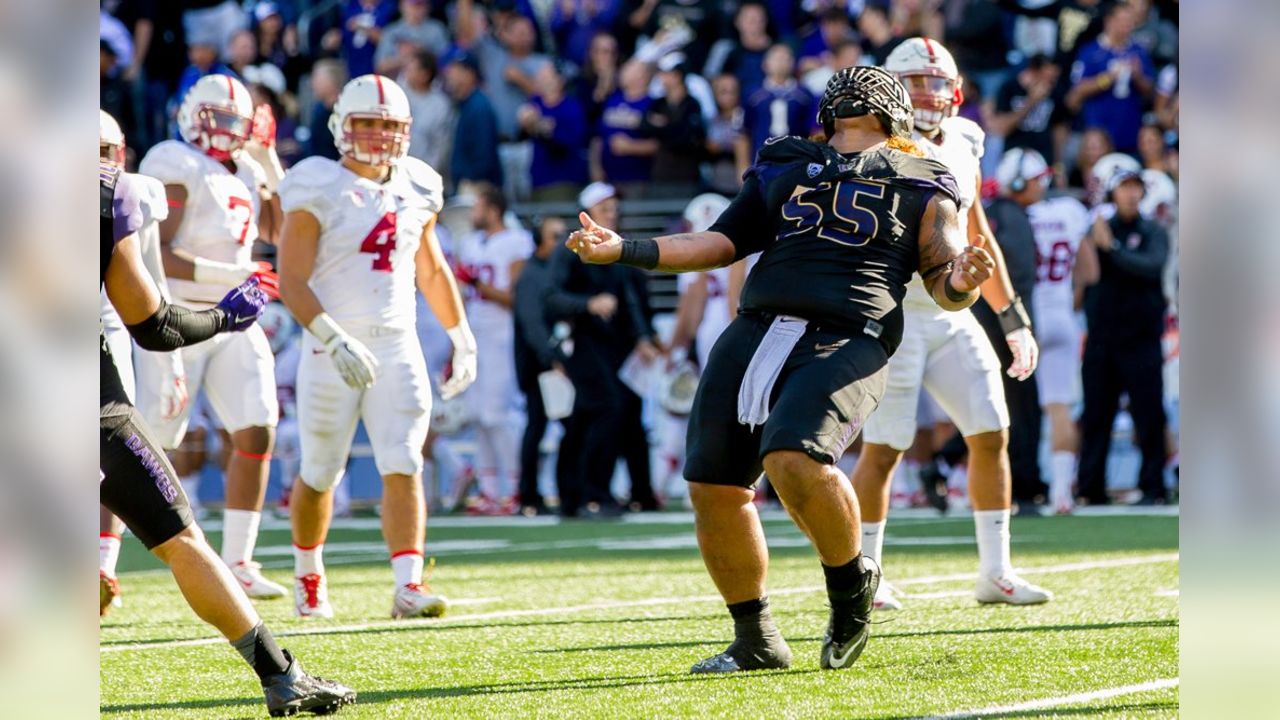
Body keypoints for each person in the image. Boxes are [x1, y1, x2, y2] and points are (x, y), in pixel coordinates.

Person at [568, 65, 992, 673]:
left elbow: (944, 278)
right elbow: (719, 243)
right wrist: (624, 249)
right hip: (758, 326)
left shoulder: (923, 174)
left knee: (794, 455)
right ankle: (757, 639)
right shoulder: (787, 162)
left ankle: (851, 590)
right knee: (713, 485)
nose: (855, 96)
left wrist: (965, 281)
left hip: (850, 332)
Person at [100, 161, 355, 716]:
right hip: (88, 408)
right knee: (181, 538)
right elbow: (155, 326)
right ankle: (280, 675)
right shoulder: (101, 193)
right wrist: (224, 317)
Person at [853, 38, 1050, 613]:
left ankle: (997, 571)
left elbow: (976, 230)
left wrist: (1011, 315)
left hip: (954, 310)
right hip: (897, 313)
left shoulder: (964, 138)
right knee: (885, 448)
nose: (928, 94)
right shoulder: (876, 144)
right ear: (888, 89)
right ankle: (866, 571)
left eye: (936, 83)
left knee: (991, 430)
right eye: (914, 83)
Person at [278, 74, 478, 619]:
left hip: (396, 341)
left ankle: (407, 584)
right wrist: (330, 337)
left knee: (404, 460)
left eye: (387, 124)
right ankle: (309, 573)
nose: (377, 134)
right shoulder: (317, 183)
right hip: (329, 346)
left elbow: (431, 266)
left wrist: (461, 334)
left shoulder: (418, 182)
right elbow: (291, 278)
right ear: (341, 125)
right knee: (321, 469)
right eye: (366, 122)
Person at [136, 74, 288, 600]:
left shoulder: (245, 167)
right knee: (142, 442)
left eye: (235, 124)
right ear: (190, 116)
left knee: (257, 426)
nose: (226, 133)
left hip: (234, 318)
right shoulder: (173, 160)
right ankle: (100, 563)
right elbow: (160, 250)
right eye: (216, 120)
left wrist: (268, 161)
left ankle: (240, 561)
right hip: (174, 314)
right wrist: (234, 278)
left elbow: (278, 231)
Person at [98, 109, 187, 616]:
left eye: (106, 154)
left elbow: (152, 284)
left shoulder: (128, 194)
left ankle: (103, 563)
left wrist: (170, 358)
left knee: (113, 453)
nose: (99, 165)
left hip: (111, 326)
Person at [546, 182, 660, 517]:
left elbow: (628, 298)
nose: (612, 213)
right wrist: (588, 304)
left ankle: (579, 496)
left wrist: (642, 337)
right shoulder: (569, 247)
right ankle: (592, 494)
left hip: (613, 347)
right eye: (605, 208)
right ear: (586, 214)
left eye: (613, 208)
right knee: (602, 410)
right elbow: (551, 298)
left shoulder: (615, 246)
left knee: (598, 416)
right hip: (582, 342)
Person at [1075, 169, 1169, 505]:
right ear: (1113, 194)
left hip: (1141, 338)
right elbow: (1084, 274)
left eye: (1136, 188)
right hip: (1102, 339)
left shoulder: (1153, 231)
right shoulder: (1098, 230)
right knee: (1096, 415)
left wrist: (1111, 248)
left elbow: (1151, 266)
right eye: (1125, 188)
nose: (1131, 195)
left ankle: (1153, 487)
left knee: (1149, 416)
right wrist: (1091, 240)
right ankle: (1090, 488)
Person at [454, 183, 533, 515]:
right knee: (479, 417)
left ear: (493, 209)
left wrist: (478, 284)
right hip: (474, 336)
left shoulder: (515, 242)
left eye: (478, 207)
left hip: (502, 337)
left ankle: (514, 489)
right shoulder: (471, 243)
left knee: (498, 416)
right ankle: (488, 491)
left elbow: (517, 299)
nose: (473, 214)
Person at [512, 216, 571, 515]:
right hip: (539, 364)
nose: (562, 241)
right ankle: (529, 496)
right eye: (555, 236)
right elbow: (532, 323)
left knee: (554, 427)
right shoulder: (532, 275)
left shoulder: (550, 270)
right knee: (538, 427)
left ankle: (549, 493)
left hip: (549, 360)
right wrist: (552, 358)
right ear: (539, 240)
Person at [1066, 1, 1155, 154]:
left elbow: (1150, 91)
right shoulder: (1091, 52)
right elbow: (1075, 95)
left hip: (1130, 134)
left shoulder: (1138, 51)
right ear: (1109, 21)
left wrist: (1138, 76)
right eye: (1123, 20)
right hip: (1098, 136)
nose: (1128, 25)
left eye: (1130, 21)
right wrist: (1107, 79)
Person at [519, 63, 589, 202]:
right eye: (540, 75)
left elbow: (567, 144)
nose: (540, 79)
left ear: (560, 81)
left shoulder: (571, 108)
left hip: (562, 180)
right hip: (537, 178)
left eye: (546, 76)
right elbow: (521, 135)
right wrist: (525, 124)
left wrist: (540, 126)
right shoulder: (535, 102)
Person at [444, 51, 502, 192]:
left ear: (470, 74)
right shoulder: (463, 104)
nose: (450, 74)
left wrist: (471, 178)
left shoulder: (479, 107)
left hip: (477, 186)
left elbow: (484, 154)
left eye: (456, 69)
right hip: (465, 183)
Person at [744, 45, 814, 157]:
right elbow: (743, 131)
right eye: (777, 58)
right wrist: (743, 165)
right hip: (761, 158)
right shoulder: (753, 95)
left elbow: (811, 129)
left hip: (796, 158)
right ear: (765, 64)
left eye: (786, 58)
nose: (781, 63)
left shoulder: (804, 95)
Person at [400, 50, 454, 183]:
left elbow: (441, 145)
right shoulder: (398, 95)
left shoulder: (441, 104)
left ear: (425, 75)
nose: (407, 72)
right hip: (396, 172)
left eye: (412, 69)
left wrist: (427, 174)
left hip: (424, 175)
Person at [375, 0, 449, 78]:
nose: (417, 10)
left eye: (421, 5)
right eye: (413, 6)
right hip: (399, 83)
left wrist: (421, 52)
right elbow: (380, 67)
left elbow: (446, 64)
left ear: (428, 7)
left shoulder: (437, 29)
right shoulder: (391, 30)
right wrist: (403, 59)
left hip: (431, 84)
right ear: (402, 6)